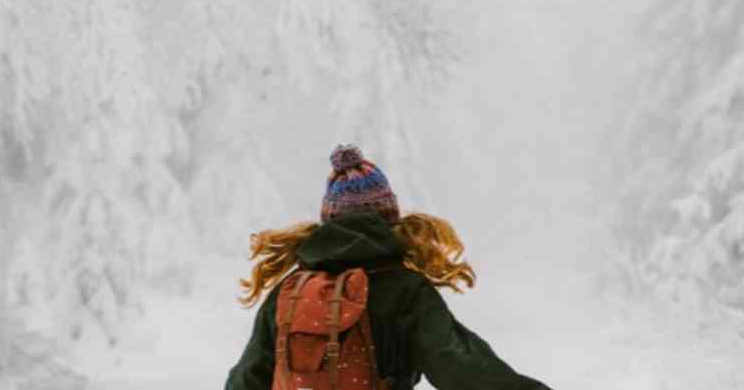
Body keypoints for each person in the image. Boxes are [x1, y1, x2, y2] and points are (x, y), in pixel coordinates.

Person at [224, 143, 553, 390]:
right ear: (390, 219)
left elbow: (246, 379)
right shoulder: (406, 292)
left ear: (328, 219)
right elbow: (464, 369)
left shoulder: (291, 290)